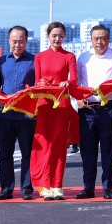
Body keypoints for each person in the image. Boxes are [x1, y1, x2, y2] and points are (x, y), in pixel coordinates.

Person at [74, 25, 112, 200]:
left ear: (108, 39)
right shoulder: (84, 57)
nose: (99, 42)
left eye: (103, 38)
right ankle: (88, 187)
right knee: (87, 149)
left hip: (107, 109)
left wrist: (101, 92)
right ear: (91, 40)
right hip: (87, 109)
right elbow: (77, 82)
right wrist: (78, 99)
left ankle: (107, 187)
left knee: (108, 149)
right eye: (96, 38)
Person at [32, 22, 78, 201]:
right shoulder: (40, 57)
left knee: (59, 146)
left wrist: (67, 82)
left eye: (60, 36)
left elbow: (74, 78)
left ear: (65, 37)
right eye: (54, 36)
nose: (57, 39)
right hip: (44, 105)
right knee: (43, 145)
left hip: (62, 105)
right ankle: (45, 186)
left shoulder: (69, 56)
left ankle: (57, 185)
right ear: (47, 36)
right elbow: (37, 82)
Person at [0, 26, 36, 201]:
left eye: (21, 41)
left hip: (26, 115)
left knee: (27, 153)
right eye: (14, 41)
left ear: (26, 41)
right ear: (9, 41)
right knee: (5, 153)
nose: (17, 44)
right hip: (5, 114)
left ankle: (26, 188)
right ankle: (6, 189)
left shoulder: (35, 61)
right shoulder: (0, 62)